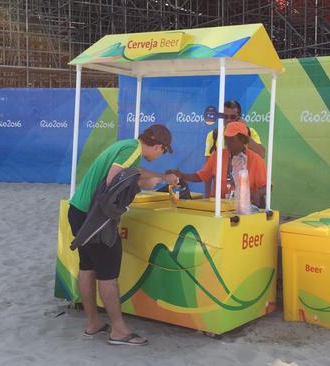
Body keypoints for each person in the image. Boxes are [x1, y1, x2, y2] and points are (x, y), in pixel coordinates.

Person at [68, 124, 178, 346]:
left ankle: (94, 323)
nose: (161, 155)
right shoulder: (131, 151)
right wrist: (144, 184)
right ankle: (118, 331)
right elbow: (113, 182)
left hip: (79, 211)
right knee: (108, 273)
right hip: (96, 217)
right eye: (163, 151)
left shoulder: (129, 147)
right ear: (158, 147)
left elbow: (132, 171)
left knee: (87, 266)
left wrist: (161, 177)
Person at [171, 122, 267, 208]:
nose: (228, 143)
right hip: (219, 207)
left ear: (242, 140)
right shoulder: (218, 155)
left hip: (244, 209)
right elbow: (201, 176)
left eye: (232, 139)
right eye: (226, 139)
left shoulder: (256, 159)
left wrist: (258, 194)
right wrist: (182, 175)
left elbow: (267, 186)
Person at [203, 100, 265, 197]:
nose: (228, 120)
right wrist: (207, 197)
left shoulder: (250, 132)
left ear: (239, 117)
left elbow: (261, 154)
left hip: (246, 196)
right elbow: (208, 171)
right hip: (221, 198)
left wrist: (243, 133)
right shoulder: (213, 135)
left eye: (232, 117)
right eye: (225, 116)